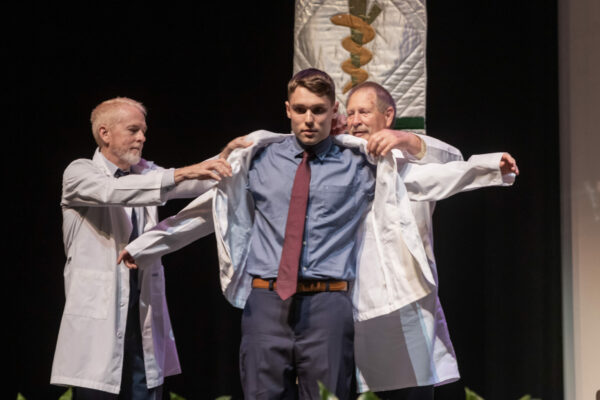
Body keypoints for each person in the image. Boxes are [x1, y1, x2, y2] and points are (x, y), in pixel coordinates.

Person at [118, 69, 517, 399]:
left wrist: (488, 168)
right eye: (303, 110)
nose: (310, 119)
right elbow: (211, 209)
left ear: (332, 113)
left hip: (333, 301)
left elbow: (429, 176)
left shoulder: (362, 162)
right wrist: (149, 244)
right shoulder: (260, 156)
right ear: (288, 110)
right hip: (267, 297)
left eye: (320, 111)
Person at [50, 97, 249, 399]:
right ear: (105, 133)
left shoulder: (145, 173)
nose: (142, 137)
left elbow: (195, 182)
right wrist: (183, 172)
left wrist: (228, 158)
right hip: (98, 327)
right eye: (133, 130)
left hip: (140, 317)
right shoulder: (79, 173)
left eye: (143, 131)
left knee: (145, 388)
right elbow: (113, 191)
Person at [344, 82, 518, 400]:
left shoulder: (407, 164)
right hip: (357, 303)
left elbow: (450, 166)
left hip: (408, 300)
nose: (355, 119)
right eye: (350, 112)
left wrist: (490, 165)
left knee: (413, 389)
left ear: (388, 115)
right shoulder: (339, 165)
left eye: (364, 112)